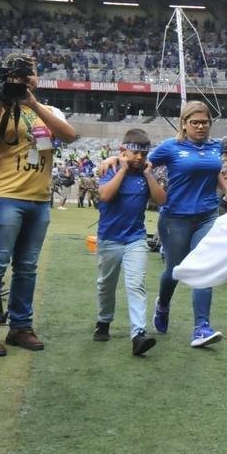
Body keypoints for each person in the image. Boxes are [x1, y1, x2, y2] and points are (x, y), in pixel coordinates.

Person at [0, 54, 77, 357]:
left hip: (38, 199)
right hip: (1, 196)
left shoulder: (49, 110)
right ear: (6, 76)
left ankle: (20, 327)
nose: (25, 78)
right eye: (17, 74)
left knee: (27, 268)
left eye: (30, 72)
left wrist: (33, 104)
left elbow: (70, 136)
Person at [149, 101, 227, 347]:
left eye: (205, 122)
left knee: (204, 267)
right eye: (195, 122)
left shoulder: (215, 146)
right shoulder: (170, 147)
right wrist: (116, 162)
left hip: (207, 215)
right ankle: (163, 305)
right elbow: (143, 164)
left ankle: (201, 327)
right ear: (184, 124)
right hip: (175, 217)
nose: (201, 127)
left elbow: (212, 169)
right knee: (175, 270)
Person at [93, 129, 165, 356]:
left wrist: (149, 175)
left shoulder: (145, 174)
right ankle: (104, 320)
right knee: (106, 284)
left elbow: (161, 200)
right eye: (135, 153)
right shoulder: (111, 169)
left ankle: (138, 334)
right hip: (109, 238)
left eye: (144, 154)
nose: (140, 158)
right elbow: (105, 195)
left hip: (136, 238)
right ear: (123, 151)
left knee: (136, 284)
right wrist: (122, 168)